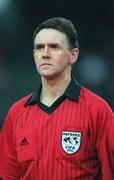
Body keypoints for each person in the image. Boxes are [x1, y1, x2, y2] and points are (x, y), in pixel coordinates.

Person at [0, 17, 114, 180]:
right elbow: (8, 175)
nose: (45, 54)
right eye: (39, 48)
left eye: (54, 47)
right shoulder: (16, 113)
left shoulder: (97, 110)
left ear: (73, 55)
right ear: (34, 55)